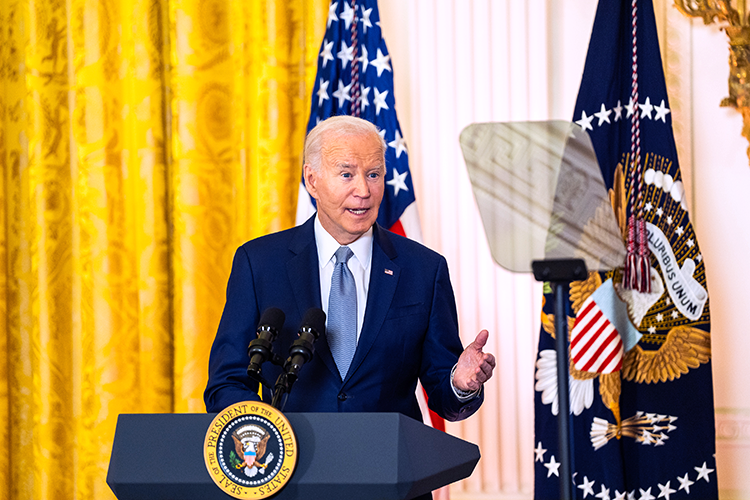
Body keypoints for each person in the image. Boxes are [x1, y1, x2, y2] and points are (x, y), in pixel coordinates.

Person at [204, 115, 495, 424]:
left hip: (389, 463)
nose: (363, 190)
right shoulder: (259, 263)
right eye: (346, 174)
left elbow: (442, 391)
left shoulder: (424, 269)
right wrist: (264, 435)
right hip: (291, 462)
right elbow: (228, 380)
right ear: (312, 180)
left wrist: (460, 384)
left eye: (373, 174)